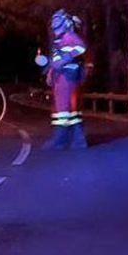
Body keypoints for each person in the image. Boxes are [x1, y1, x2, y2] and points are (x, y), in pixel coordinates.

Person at [35, 10, 88, 150]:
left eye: (56, 20)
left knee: (62, 108)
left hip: (67, 74)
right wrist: (49, 72)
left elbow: (81, 47)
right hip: (60, 76)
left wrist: (67, 58)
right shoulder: (58, 41)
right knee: (71, 109)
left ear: (64, 23)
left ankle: (60, 139)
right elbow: (55, 61)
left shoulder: (69, 36)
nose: (54, 23)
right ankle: (79, 140)